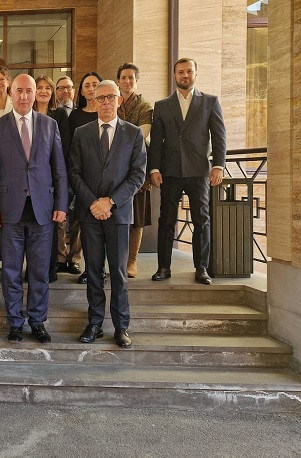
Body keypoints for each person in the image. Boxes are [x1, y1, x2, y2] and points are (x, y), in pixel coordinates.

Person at [0, 74, 68, 344]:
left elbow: (59, 169)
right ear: (11, 93)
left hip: (43, 211)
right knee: (10, 272)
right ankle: (15, 323)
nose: (23, 96)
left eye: (28, 91)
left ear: (35, 94)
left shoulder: (50, 125)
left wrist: (62, 204)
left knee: (39, 272)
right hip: (9, 211)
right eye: (18, 91)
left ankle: (37, 321)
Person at [68, 80, 147, 349]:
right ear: (93, 101)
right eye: (100, 98)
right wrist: (93, 203)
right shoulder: (81, 133)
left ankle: (121, 326)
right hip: (89, 213)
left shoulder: (133, 133)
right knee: (93, 271)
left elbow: (138, 175)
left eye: (110, 97)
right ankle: (94, 323)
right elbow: (74, 173)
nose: (105, 102)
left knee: (119, 273)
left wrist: (110, 202)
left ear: (119, 100)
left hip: (119, 213)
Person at [149, 57, 226, 285]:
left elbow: (219, 136)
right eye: (180, 72)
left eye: (189, 71)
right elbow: (156, 141)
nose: (185, 75)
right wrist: (154, 168)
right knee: (166, 220)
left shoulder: (210, 101)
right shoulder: (162, 105)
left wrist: (218, 166)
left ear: (195, 73)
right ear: (174, 75)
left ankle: (201, 268)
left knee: (202, 221)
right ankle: (163, 267)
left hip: (199, 171)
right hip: (170, 171)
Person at [117, 63, 154, 278]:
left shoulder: (144, 106)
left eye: (131, 77)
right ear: (118, 81)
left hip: (137, 168)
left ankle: (132, 260)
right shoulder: (113, 101)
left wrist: (117, 140)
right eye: (123, 77)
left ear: (136, 81)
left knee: (137, 217)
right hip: (114, 169)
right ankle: (118, 259)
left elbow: (142, 135)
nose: (127, 81)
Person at [68, 72, 104, 284]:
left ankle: (99, 270)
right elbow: (71, 149)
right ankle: (78, 261)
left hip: (105, 182)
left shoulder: (106, 113)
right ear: (81, 91)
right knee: (80, 222)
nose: (91, 89)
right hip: (81, 179)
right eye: (87, 85)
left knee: (101, 227)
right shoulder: (75, 116)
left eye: (95, 85)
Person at [35, 75, 71, 282]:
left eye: (47, 88)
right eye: (39, 87)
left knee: (52, 224)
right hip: (32, 179)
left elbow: (63, 148)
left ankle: (50, 269)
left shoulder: (59, 114)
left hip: (51, 177)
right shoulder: (27, 113)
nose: (43, 91)